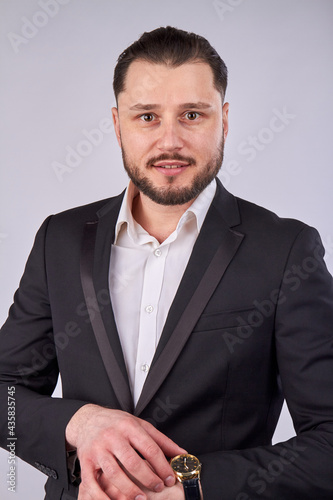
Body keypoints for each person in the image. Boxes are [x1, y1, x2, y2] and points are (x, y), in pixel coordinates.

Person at [0, 26, 333, 500]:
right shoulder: (60, 239)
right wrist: (81, 423)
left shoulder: (286, 249)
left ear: (225, 120)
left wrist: (189, 487)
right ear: (117, 125)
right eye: (147, 117)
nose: (170, 140)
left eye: (193, 114)